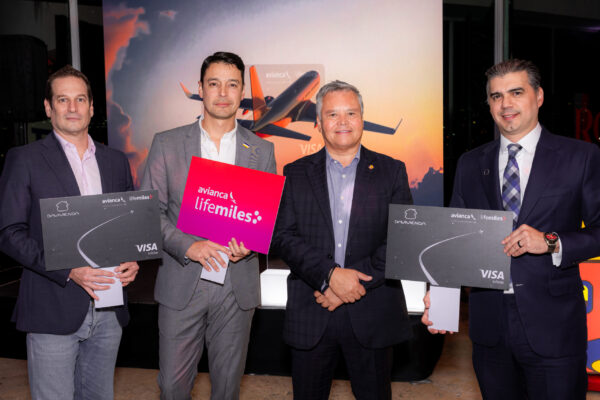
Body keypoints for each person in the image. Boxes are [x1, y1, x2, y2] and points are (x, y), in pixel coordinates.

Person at [422, 59, 600, 399]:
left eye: (516, 92)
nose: (506, 103)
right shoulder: (470, 163)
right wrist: (441, 300)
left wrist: (550, 242)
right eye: (496, 96)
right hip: (489, 329)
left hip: (554, 327)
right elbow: (454, 240)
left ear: (539, 96)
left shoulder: (581, 157)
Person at [141, 51, 276, 400]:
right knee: (172, 387)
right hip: (183, 281)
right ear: (201, 89)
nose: (223, 93)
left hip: (236, 284)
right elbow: (150, 213)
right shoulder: (167, 144)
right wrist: (189, 246)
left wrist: (251, 243)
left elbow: (266, 218)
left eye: (232, 85)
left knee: (227, 388)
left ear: (242, 91)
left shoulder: (261, 151)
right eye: (214, 84)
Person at [0, 65, 139, 400]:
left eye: (80, 99)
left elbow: (126, 225)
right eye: (63, 100)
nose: (73, 107)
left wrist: (131, 259)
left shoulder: (116, 161)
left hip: (108, 309)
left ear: (92, 107)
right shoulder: (25, 159)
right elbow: (9, 233)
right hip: (52, 307)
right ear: (49, 108)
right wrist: (69, 269)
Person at [272, 80, 413, 400]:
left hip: (373, 312)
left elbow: (401, 240)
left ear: (362, 118)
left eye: (351, 113)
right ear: (318, 122)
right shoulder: (295, 172)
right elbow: (283, 236)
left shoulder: (392, 171)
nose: (343, 121)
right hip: (312, 310)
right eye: (332, 114)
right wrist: (330, 276)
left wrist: (350, 285)